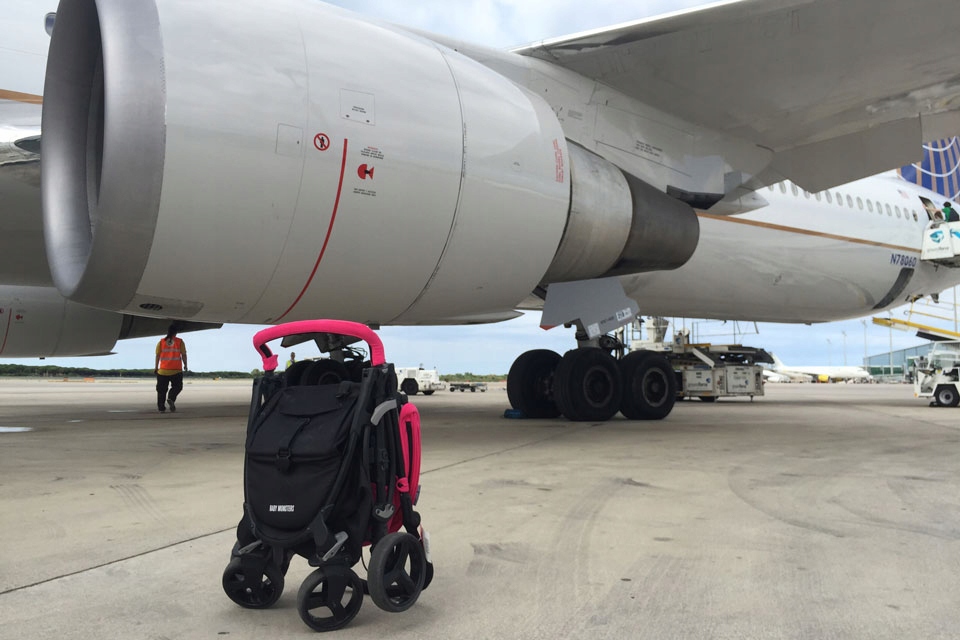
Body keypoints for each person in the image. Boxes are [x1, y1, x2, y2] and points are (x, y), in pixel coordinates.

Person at [154, 324, 188, 413]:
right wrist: (185, 365)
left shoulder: (161, 342)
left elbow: (157, 355)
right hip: (176, 370)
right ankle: (171, 398)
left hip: (163, 371)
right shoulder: (179, 341)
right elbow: (184, 354)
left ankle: (161, 408)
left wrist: (156, 367)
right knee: (177, 387)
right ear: (176, 332)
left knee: (161, 391)